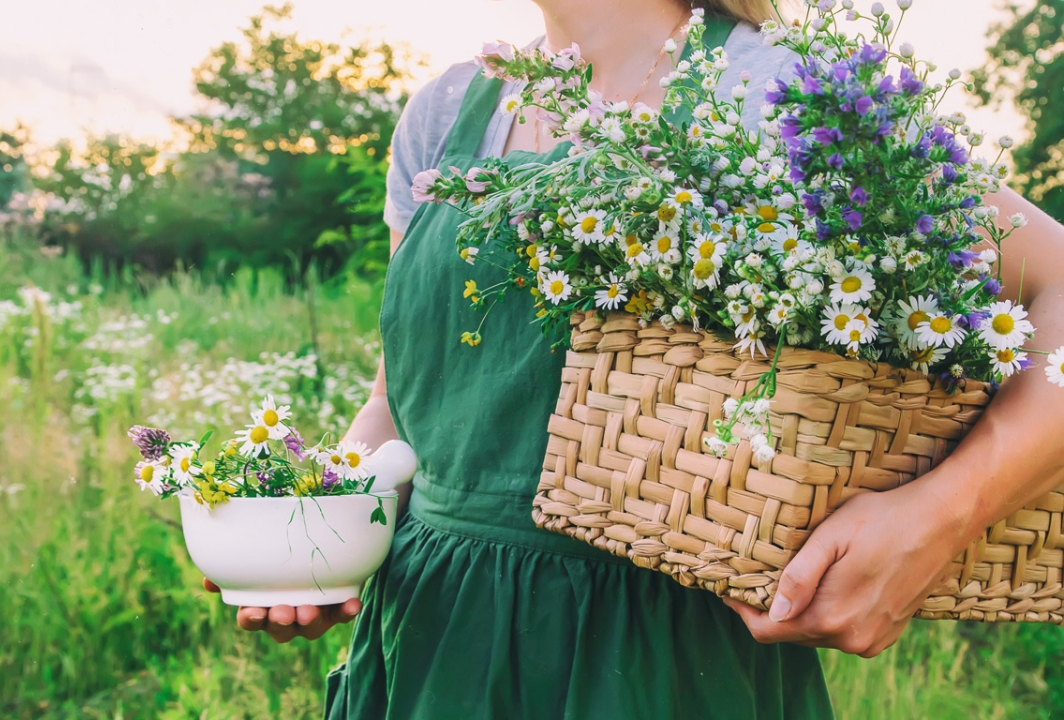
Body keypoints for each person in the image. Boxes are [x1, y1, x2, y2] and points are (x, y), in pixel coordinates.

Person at [203, 0, 1064, 717]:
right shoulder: (443, 112)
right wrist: (317, 533)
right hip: (428, 643)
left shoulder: (776, 91)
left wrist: (940, 513)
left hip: (660, 661)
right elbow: (405, 405)